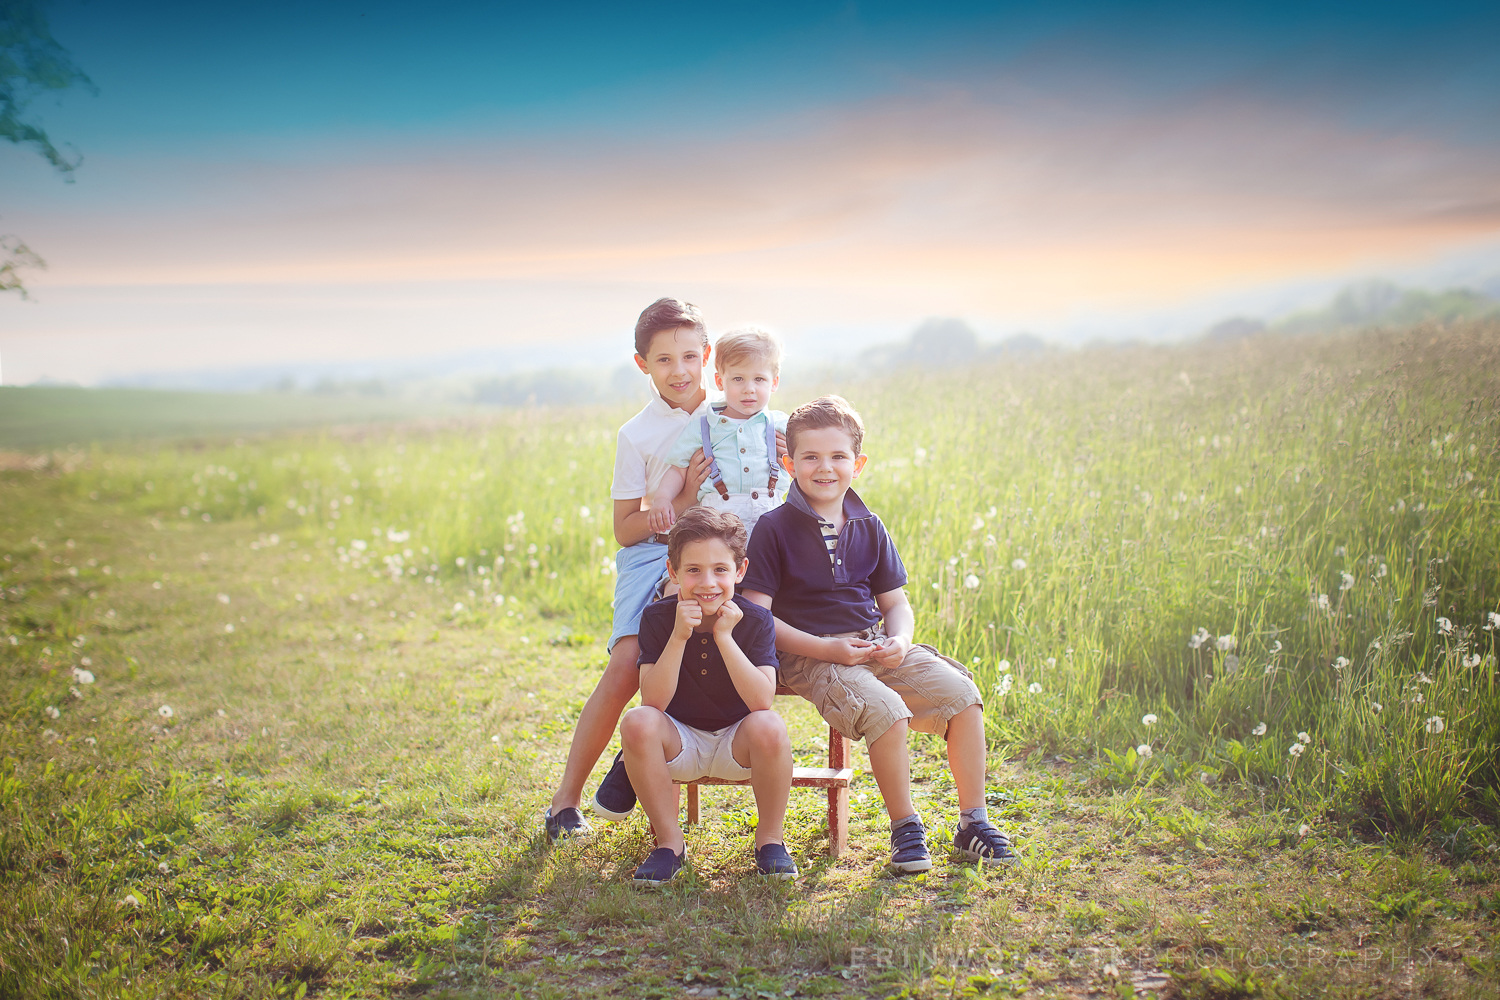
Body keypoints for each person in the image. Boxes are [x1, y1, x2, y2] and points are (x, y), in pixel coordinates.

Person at [741, 395, 1019, 871]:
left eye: (837, 457)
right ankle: (905, 828)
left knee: (963, 695)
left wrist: (901, 640)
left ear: (858, 463)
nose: (824, 468)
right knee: (886, 710)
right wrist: (825, 648)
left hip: (873, 642)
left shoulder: (870, 526)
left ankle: (973, 821)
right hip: (813, 655)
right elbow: (756, 614)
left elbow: (895, 604)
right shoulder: (774, 528)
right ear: (789, 463)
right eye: (810, 457)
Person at [543, 297, 714, 841]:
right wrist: (682, 501)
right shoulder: (636, 434)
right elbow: (624, 529)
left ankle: (634, 756)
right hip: (653, 553)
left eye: (690, 355)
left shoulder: (738, 413)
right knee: (625, 665)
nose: (680, 370)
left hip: (724, 559)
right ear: (642, 364)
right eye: (664, 360)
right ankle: (564, 801)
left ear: (707, 355)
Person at [620, 506, 798, 885]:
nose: (708, 583)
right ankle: (669, 845)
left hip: (738, 745)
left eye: (720, 570)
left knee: (769, 724)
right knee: (637, 721)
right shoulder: (657, 618)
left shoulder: (755, 619)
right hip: (679, 743)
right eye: (693, 570)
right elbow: (653, 701)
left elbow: (761, 701)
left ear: (740, 571)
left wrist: (724, 636)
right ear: (673, 572)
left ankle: (770, 841)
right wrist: (679, 636)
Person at [647, 326, 788, 540]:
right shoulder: (703, 427)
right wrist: (663, 498)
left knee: (772, 571)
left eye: (759, 379)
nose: (749, 388)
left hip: (771, 521)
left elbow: (807, 461)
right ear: (720, 381)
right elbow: (678, 470)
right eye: (738, 379)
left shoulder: (781, 424)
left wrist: (796, 455)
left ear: (774, 382)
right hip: (716, 525)